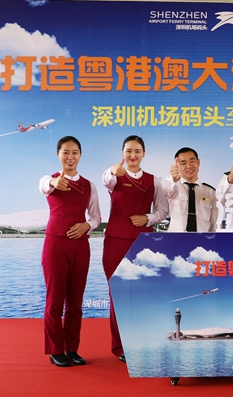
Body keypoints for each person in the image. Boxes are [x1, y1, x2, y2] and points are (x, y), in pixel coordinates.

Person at [101, 135, 168, 362]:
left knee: (143, 293)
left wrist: (147, 218)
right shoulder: (114, 176)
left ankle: (142, 341)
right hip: (115, 241)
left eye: (137, 151)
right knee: (117, 293)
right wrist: (112, 170)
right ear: (122, 153)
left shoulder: (153, 180)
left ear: (144, 153)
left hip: (143, 242)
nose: (133, 155)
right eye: (128, 150)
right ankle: (120, 346)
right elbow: (107, 179)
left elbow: (162, 211)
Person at [39, 136, 101, 367]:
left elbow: (96, 217)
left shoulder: (89, 185)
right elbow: (45, 184)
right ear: (58, 155)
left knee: (75, 301)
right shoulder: (49, 181)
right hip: (55, 245)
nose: (70, 157)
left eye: (74, 152)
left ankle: (72, 348)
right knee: (55, 299)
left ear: (80, 155)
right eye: (65, 152)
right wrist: (54, 182)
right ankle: (55, 350)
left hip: (81, 245)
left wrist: (87, 225)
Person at [164, 147, 219, 232]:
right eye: (183, 163)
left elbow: (214, 225)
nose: (189, 166)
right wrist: (174, 179)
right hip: (177, 239)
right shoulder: (174, 187)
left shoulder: (210, 192)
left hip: (202, 239)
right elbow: (168, 190)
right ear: (177, 166)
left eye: (192, 161)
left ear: (198, 162)